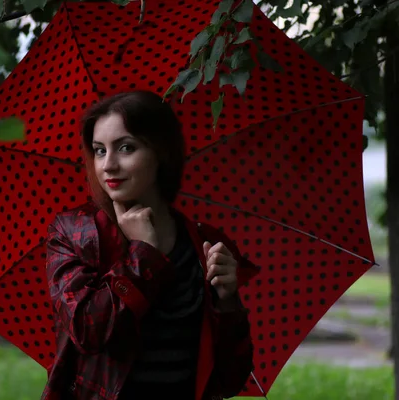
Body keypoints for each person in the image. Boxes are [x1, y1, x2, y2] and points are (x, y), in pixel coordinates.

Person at [41, 91, 259, 400]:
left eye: (126, 148)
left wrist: (228, 302)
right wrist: (143, 254)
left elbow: (230, 379)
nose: (108, 165)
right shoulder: (74, 233)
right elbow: (87, 331)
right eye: (99, 151)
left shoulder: (204, 244)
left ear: (161, 152)